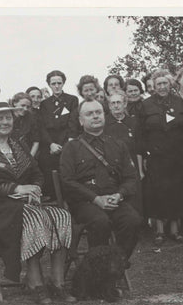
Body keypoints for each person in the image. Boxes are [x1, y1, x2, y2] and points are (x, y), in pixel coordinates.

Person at [0, 99, 75, 305]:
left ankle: (57, 282)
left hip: (27, 202)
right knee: (33, 217)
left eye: (8, 118)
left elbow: (37, 173)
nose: (5, 122)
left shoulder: (18, 144)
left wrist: (34, 187)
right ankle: (36, 283)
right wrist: (15, 188)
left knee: (62, 216)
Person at [60, 99, 141, 264]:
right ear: (81, 121)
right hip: (85, 202)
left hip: (113, 198)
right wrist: (96, 199)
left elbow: (131, 178)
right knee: (100, 222)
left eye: (98, 112)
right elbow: (67, 181)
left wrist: (119, 195)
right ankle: (99, 269)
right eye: (89, 114)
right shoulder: (72, 147)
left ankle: (115, 264)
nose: (95, 116)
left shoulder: (118, 144)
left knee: (133, 220)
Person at [136, 69, 183, 245]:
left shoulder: (179, 102)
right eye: (158, 84)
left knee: (177, 191)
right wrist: (145, 155)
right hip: (156, 156)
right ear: (153, 86)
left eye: (165, 83)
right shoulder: (146, 105)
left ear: (170, 84)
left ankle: (174, 230)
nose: (161, 87)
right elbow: (141, 134)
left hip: (177, 156)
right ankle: (159, 231)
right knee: (157, 192)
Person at [37, 70, 78, 199]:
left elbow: (73, 122)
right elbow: (42, 127)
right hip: (50, 144)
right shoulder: (44, 104)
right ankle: (52, 200)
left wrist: (68, 143)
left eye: (59, 83)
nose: (56, 86)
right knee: (47, 167)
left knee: (68, 171)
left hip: (67, 141)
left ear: (63, 83)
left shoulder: (72, 100)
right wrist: (50, 144)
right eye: (53, 83)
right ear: (49, 84)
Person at [10, 92, 40, 157]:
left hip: (26, 154)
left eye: (28, 107)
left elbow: (36, 141)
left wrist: (30, 159)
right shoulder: (7, 117)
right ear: (15, 103)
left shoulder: (30, 118)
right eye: (23, 105)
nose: (25, 109)